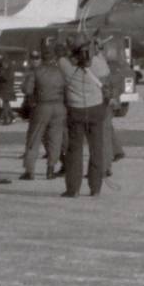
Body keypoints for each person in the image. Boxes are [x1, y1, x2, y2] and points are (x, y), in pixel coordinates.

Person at [60, 42, 108, 196]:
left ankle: (73, 189)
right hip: (95, 109)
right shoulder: (97, 66)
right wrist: (96, 51)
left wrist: (72, 54)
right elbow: (106, 70)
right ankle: (95, 187)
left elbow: (62, 58)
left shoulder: (66, 67)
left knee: (74, 150)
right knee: (96, 149)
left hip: (76, 110)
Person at [21, 42, 69, 179]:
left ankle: (29, 170)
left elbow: (27, 90)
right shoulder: (61, 72)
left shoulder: (36, 71)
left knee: (34, 138)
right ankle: (50, 169)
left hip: (42, 106)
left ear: (42, 58)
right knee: (55, 138)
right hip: (59, 107)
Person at [102, 44, 131, 165]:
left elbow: (113, 85)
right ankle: (118, 151)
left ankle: (109, 158)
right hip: (113, 100)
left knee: (105, 128)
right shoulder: (120, 66)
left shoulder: (110, 67)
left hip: (109, 101)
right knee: (107, 127)